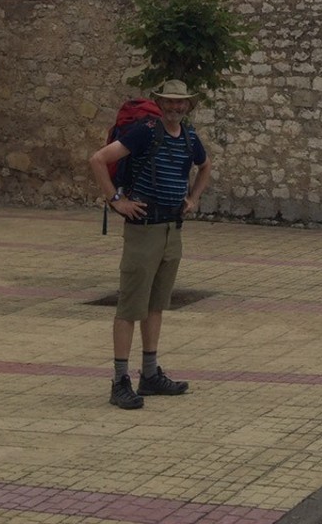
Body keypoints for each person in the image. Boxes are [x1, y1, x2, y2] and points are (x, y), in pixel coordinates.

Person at [89, 79, 211, 410]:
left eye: (181, 102)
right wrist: (116, 200)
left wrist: (193, 198)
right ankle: (119, 381)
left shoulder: (189, 137)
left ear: (188, 105)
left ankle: (149, 373)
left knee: (156, 304)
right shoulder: (144, 132)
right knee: (131, 306)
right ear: (159, 103)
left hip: (172, 228)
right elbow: (99, 159)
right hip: (143, 230)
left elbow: (206, 166)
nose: (175, 107)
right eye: (169, 102)